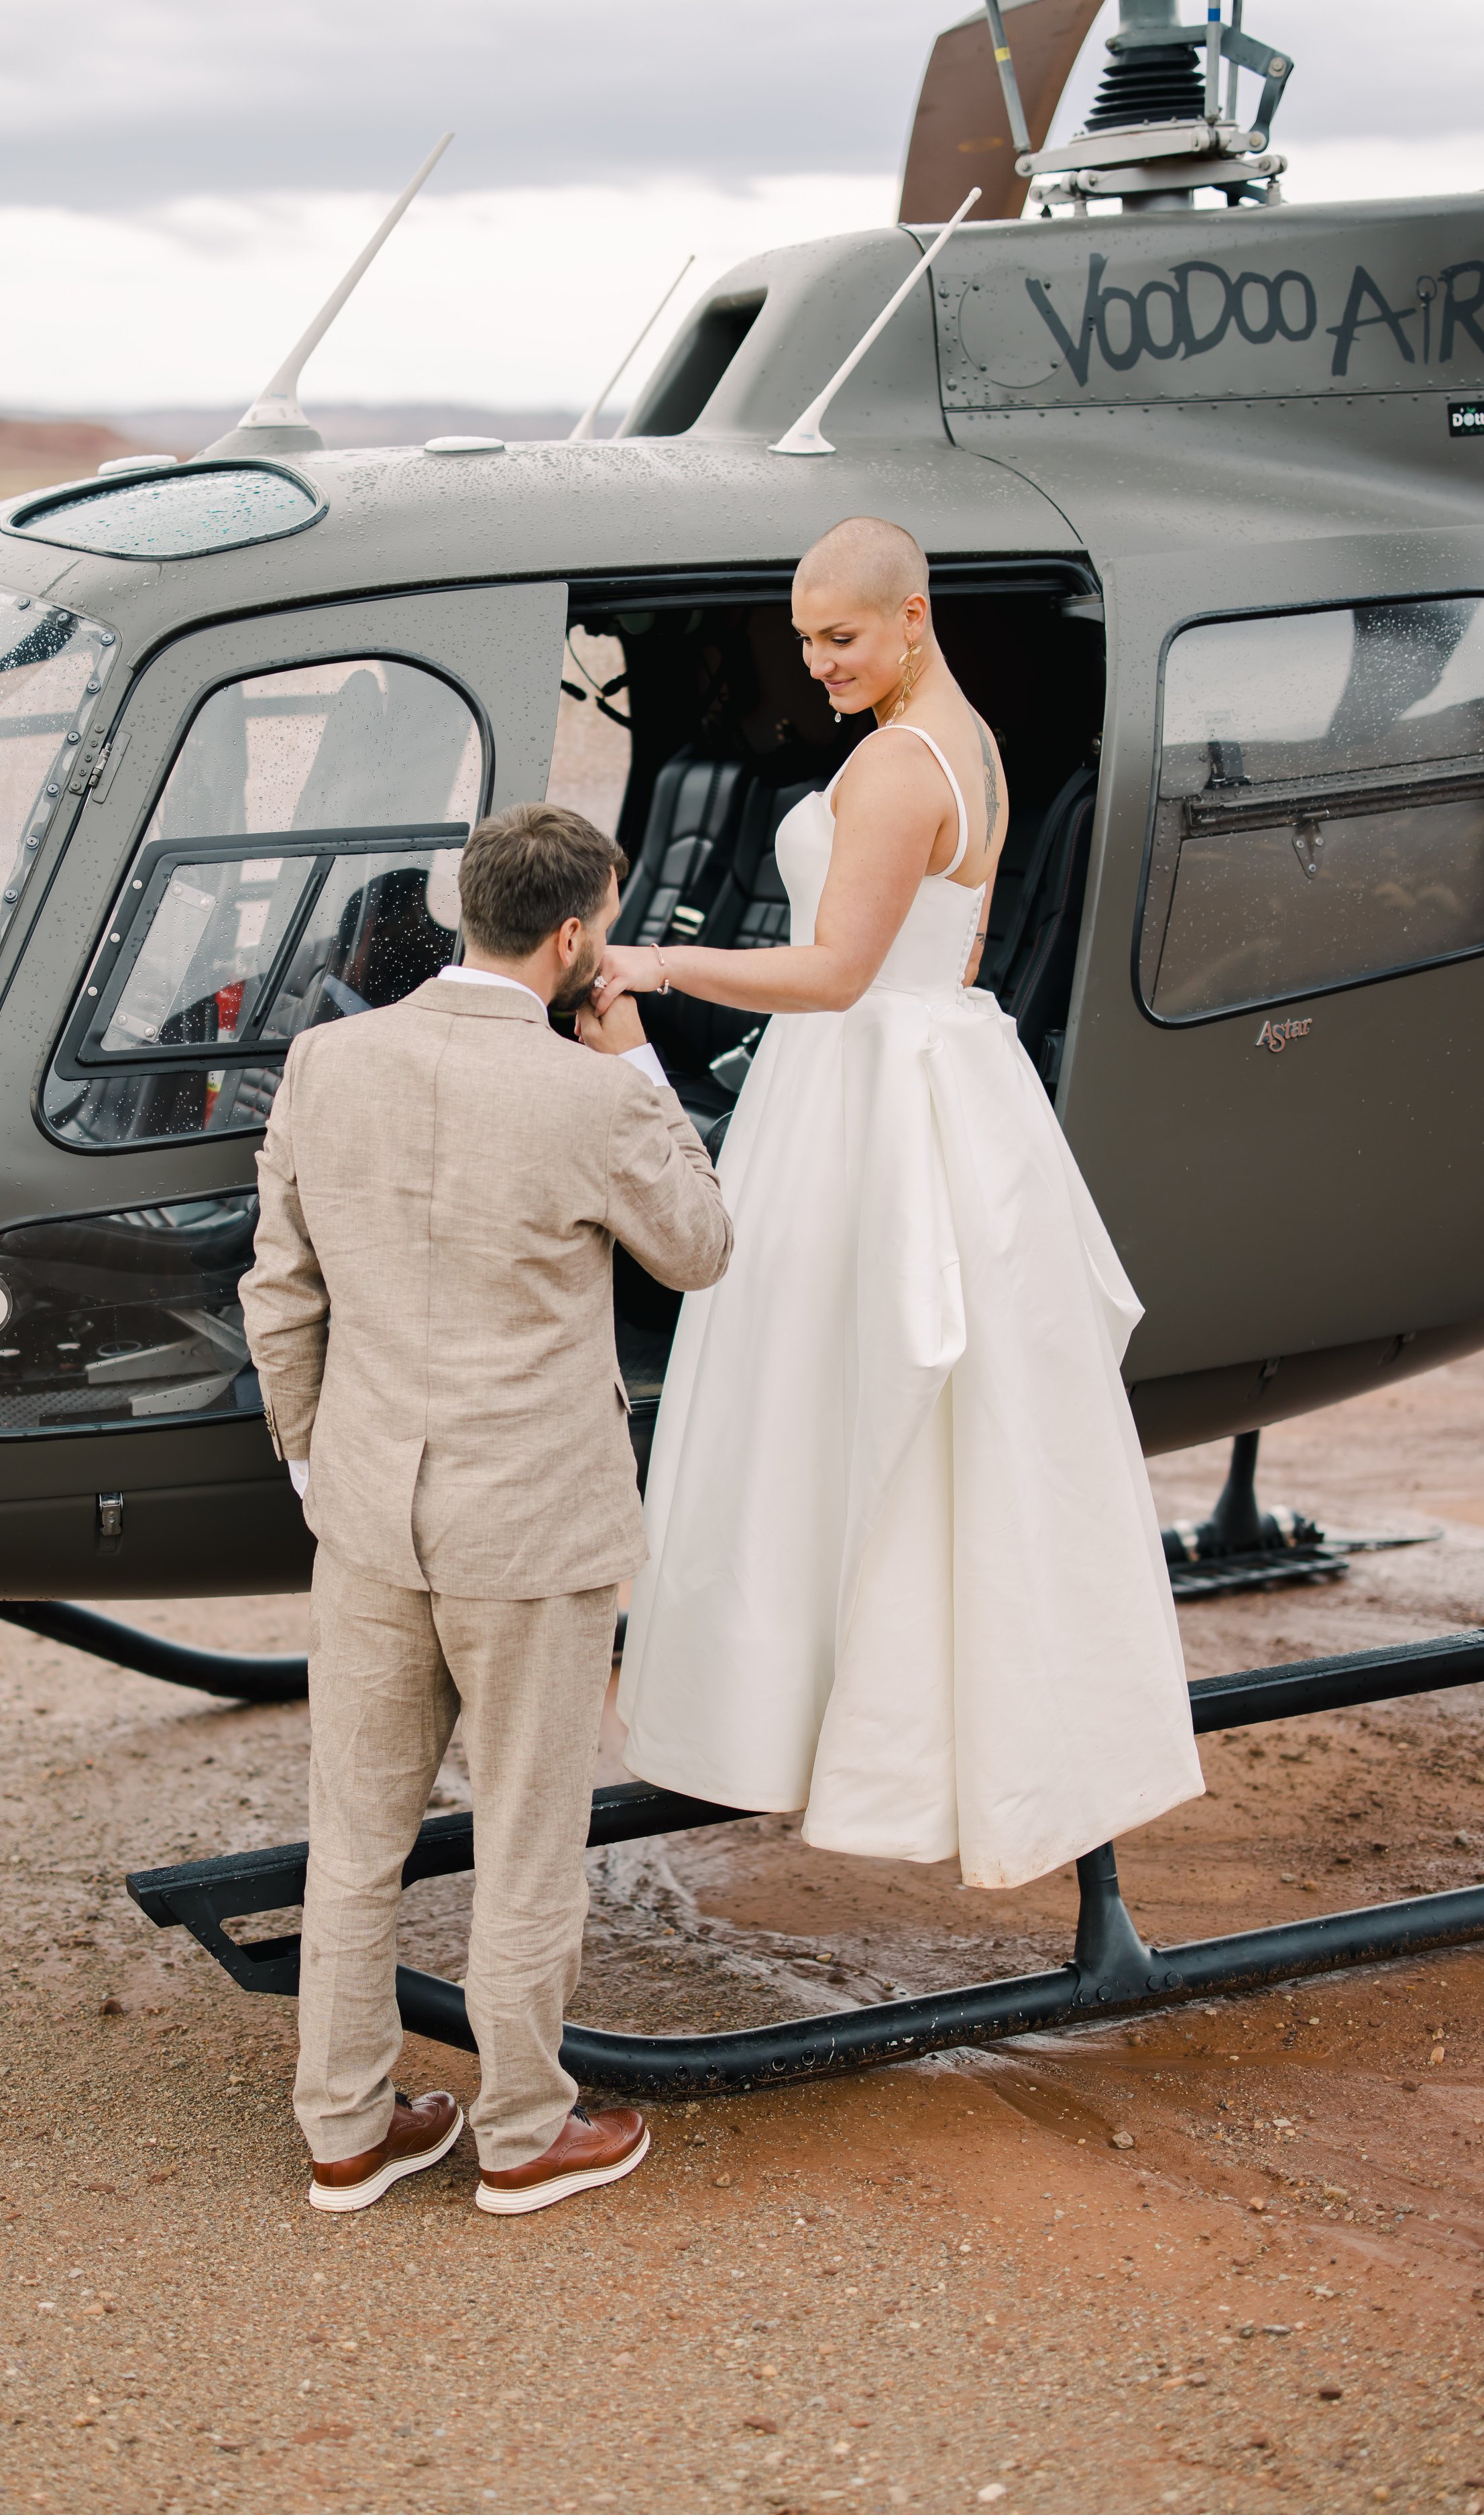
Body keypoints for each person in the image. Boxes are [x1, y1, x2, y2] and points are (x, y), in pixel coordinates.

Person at [600, 517, 1204, 1890]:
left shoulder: (889, 767)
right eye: (805, 637)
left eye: (841, 636)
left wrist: (656, 964)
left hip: (867, 1080)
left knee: (824, 1390)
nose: (815, 662)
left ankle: (811, 1719)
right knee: (911, 1402)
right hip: (933, 1065)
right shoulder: (970, 744)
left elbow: (833, 976)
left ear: (910, 618)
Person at [241, 803, 732, 2217]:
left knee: (355, 1840)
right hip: (532, 1527)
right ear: (575, 937)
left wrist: (311, 1459)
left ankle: (345, 2130)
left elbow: (278, 1287)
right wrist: (634, 1055)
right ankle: (524, 2132)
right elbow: (698, 1246)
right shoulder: (587, 1095)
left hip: (369, 1513)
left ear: (468, 909)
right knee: (525, 1840)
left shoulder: (330, 1059)